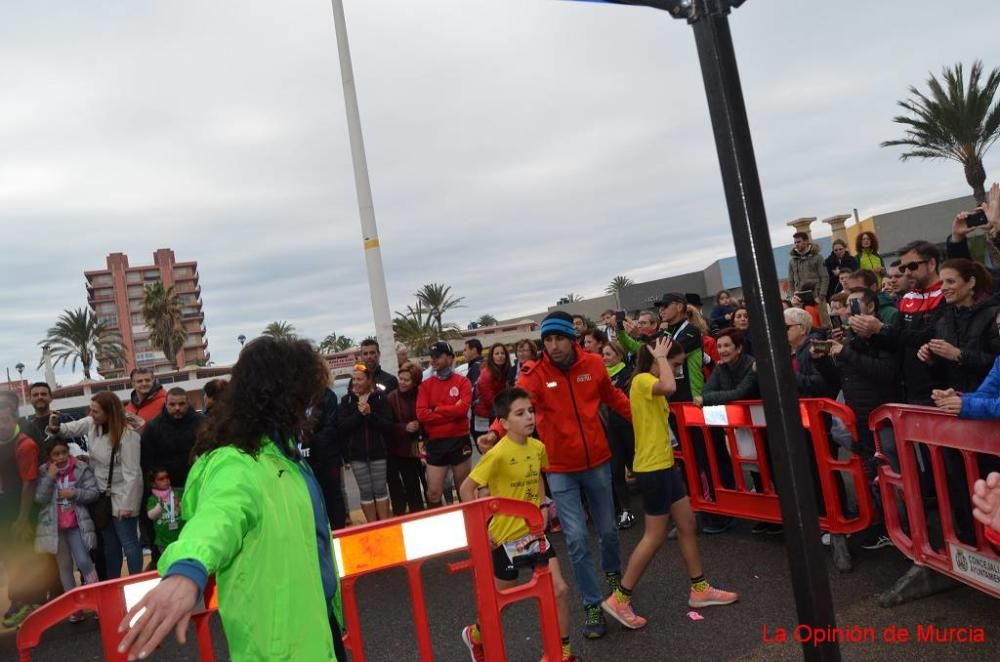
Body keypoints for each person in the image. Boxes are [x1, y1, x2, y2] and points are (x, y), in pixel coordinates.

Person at [116, 337, 346, 662]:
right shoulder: (236, 463)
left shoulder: (286, 456)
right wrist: (187, 568)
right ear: (283, 396)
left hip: (317, 626)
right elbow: (219, 517)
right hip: (278, 648)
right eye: (307, 395)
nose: (312, 406)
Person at [476, 311, 632, 639]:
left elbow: (613, 397)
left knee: (607, 531)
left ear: (572, 339)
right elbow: (514, 404)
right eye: (548, 340)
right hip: (560, 470)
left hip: (598, 462)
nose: (554, 345)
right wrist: (494, 432)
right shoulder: (535, 373)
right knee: (575, 539)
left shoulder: (592, 364)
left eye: (559, 338)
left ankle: (616, 582)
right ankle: (592, 603)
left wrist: (643, 419)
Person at [602, 338, 738, 630]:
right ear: (657, 358)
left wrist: (663, 361)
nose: (676, 370)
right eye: (674, 364)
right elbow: (670, 387)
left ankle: (699, 589)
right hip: (652, 469)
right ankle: (620, 598)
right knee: (654, 535)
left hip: (665, 465)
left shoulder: (649, 381)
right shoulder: (640, 381)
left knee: (687, 524)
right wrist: (662, 358)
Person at [459, 388, 579, 662]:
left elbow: (537, 477)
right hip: (505, 538)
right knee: (500, 602)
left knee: (559, 589)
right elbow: (468, 489)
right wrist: (481, 528)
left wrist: (542, 506)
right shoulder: (497, 454)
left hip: (534, 534)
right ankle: (475, 635)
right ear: (503, 422)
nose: (529, 418)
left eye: (531, 411)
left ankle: (561, 653)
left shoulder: (538, 447)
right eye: (520, 413)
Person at [828, 288, 902, 549]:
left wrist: (846, 352)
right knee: (875, 477)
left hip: (881, 418)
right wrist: (825, 358)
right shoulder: (850, 338)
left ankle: (906, 534)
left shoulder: (885, 338)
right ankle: (886, 528)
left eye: (854, 304)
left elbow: (885, 373)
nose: (848, 311)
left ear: (870, 308)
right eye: (847, 306)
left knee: (895, 477)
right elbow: (841, 376)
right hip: (860, 416)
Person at [50, 391, 143, 579]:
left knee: (129, 543)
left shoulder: (128, 436)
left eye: (96, 411)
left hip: (122, 494)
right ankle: (113, 584)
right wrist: (55, 425)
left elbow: (133, 473)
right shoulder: (93, 424)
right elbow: (69, 429)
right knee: (110, 546)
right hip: (101, 496)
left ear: (109, 412)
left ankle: (135, 581)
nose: (91, 414)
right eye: (90, 410)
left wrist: (127, 505)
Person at [851, 240, 945, 406]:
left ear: (931, 264)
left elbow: (929, 337)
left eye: (913, 266)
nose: (907, 272)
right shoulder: (908, 298)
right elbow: (896, 343)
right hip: (910, 389)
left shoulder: (945, 295)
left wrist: (881, 328)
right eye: (904, 268)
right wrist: (871, 334)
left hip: (941, 388)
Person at [696, 328, 758, 534]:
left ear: (738, 348)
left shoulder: (751, 365)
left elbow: (740, 393)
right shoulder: (721, 367)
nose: (722, 350)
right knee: (753, 466)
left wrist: (708, 400)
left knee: (765, 465)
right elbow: (708, 390)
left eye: (727, 346)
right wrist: (715, 396)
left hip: (758, 423)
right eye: (719, 346)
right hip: (740, 425)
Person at [33, 437, 99, 624]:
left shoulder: (79, 468)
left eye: (64, 452)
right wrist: (49, 477)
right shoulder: (44, 472)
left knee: (84, 561)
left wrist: (75, 493)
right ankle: (75, 608)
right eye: (56, 454)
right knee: (64, 567)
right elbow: (40, 498)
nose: (61, 457)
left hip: (76, 525)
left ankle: (97, 601)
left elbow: (93, 493)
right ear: (50, 457)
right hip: (56, 529)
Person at [140, 388, 204, 565]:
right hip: (164, 492)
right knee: (164, 539)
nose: (177, 408)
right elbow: (146, 463)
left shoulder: (201, 423)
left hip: (195, 489)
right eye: (172, 404)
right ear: (165, 404)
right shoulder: (153, 427)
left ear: (188, 403)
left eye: (181, 404)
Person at [919, 259, 1000, 394]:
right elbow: (943, 374)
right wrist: (931, 359)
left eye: (950, 281)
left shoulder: (994, 315)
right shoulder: (942, 320)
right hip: (955, 403)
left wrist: (959, 355)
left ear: (971, 283)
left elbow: (996, 363)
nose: (943, 287)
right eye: (941, 283)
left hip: (989, 403)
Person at [417, 341, 473, 508]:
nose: (434, 360)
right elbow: (421, 414)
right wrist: (450, 411)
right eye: (432, 357)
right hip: (436, 442)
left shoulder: (463, 382)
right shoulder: (426, 386)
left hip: (459, 440)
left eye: (438, 356)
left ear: (450, 358)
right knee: (433, 492)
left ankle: (469, 526)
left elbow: (462, 410)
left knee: (464, 488)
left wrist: (436, 409)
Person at [0, 399, 40, 628]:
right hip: (4, 506)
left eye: (5, 420)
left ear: (15, 418)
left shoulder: (25, 445)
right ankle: (20, 598)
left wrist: (22, 519)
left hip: (20, 507)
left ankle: (23, 601)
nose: (1, 425)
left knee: (21, 555)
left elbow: (29, 483)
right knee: (8, 555)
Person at [338, 363, 392, 522]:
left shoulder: (380, 397)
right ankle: (372, 526)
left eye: (359, 379)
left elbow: (388, 425)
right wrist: (359, 414)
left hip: (378, 453)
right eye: (353, 379)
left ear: (369, 380)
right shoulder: (346, 400)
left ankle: (384, 524)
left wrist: (370, 414)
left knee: (381, 490)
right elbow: (342, 427)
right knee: (366, 492)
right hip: (357, 455)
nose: (355, 383)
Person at [600, 341, 636, 530]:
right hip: (611, 429)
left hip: (629, 428)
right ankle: (626, 510)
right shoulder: (600, 377)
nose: (605, 358)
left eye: (608, 354)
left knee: (637, 468)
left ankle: (659, 507)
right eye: (603, 354)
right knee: (615, 471)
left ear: (620, 355)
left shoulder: (630, 374)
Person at [304, 386, 348, 530]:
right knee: (311, 496)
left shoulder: (328, 396)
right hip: (305, 456)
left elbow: (331, 427)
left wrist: (311, 441)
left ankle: (338, 529)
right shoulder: (296, 396)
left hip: (327, 456)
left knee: (332, 494)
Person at [385, 362, 426, 516]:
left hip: (425, 449)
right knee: (412, 489)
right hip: (403, 451)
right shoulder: (391, 398)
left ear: (415, 382)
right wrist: (404, 428)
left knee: (431, 487)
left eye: (406, 380)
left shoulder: (423, 394)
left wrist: (420, 424)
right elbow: (387, 425)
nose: (401, 382)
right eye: (400, 379)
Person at [788, 232, 829, 319]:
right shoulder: (792, 261)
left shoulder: (817, 257)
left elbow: (825, 277)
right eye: (795, 242)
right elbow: (790, 281)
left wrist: (821, 296)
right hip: (799, 298)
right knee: (804, 323)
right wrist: (792, 297)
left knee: (823, 322)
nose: (796, 244)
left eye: (798, 242)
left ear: (806, 242)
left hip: (816, 296)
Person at [145, 468, 184, 555]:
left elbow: (186, 512)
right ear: (153, 484)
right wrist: (159, 507)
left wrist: (179, 506)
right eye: (161, 479)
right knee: (168, 563)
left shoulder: (177, 493)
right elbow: (150, 516)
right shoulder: (153, 499)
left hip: (180, 537)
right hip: (163, 541)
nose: (166, 480)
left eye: (167, 477)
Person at [475, 343, 512, 427]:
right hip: (485, 418)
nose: (500, 356)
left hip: (497, 413)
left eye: (502, 353)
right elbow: (491, 401)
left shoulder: (504, 371)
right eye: (497, 354)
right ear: (491, 356)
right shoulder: (487, 375)